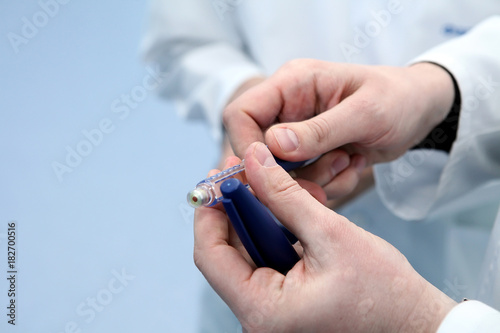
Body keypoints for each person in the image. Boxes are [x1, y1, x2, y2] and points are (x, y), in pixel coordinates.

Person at [193, 16, 500, 331]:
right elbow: (188, 33)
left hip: (450, 250)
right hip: (261, 292)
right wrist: (433, 90)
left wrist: (413, 319)